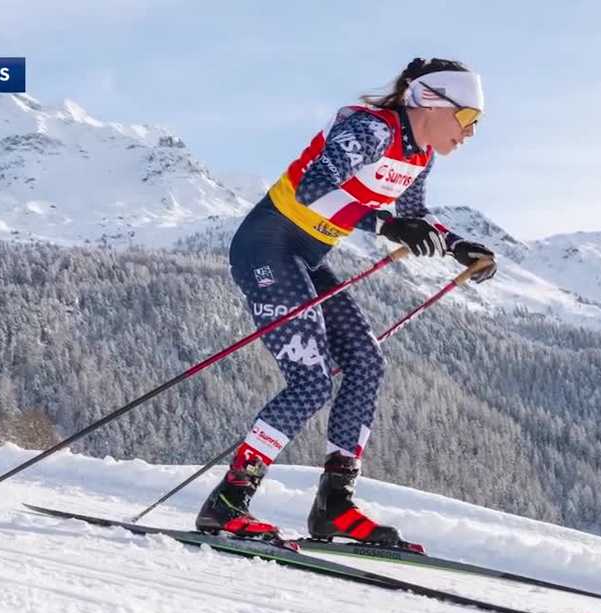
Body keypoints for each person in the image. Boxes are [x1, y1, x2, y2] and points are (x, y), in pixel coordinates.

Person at [196, 58, 497, 546]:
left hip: (307, 257)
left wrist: (459, 245)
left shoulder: (419, 155)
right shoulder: (369, 130)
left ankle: (334, 505)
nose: (469, 132)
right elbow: (315, 187)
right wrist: (385, 225)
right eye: (466, 119)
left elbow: (413, 218)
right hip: (268, 246)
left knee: (364, 362)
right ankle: (228, 502)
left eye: (476, 124)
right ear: (432, 101)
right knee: (311, 382)